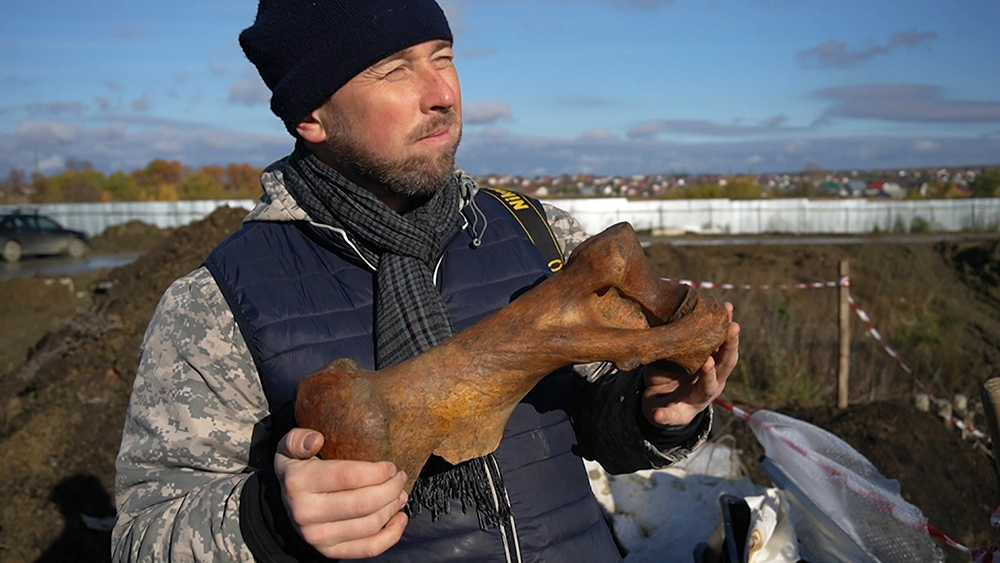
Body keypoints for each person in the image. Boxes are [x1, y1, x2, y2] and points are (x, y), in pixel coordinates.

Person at [111, 0, 741, 561]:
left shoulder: (539, 233)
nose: (442, 92)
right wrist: (273, 518)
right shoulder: (222, 301)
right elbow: (144, 534)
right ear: (311, 115)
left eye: (443, 56)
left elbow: (593, 426)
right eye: (394, 70)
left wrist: (658, 413)